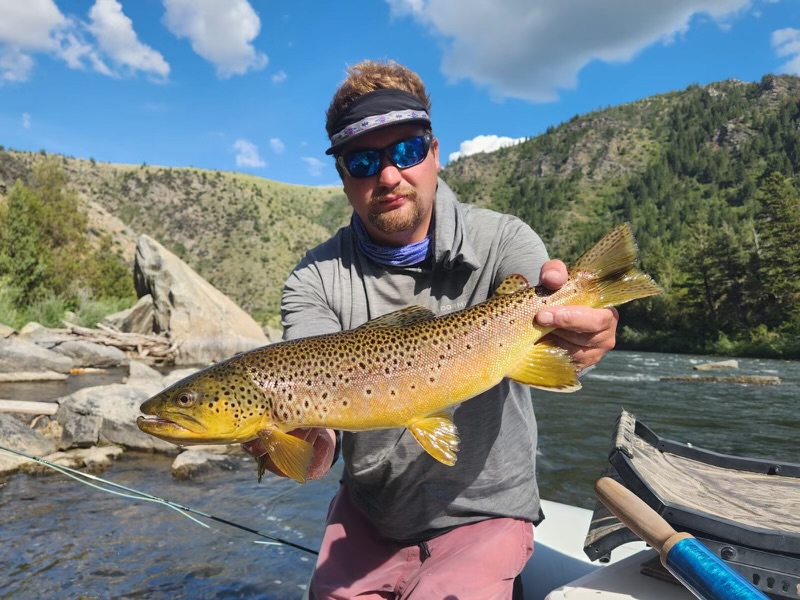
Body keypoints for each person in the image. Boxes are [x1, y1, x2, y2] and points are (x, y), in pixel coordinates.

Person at [244, 59, 618, 599]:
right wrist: (291, 449)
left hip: (487, 511)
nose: (389, 175)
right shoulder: (315, 279)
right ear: (343, 175)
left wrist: (587, 335)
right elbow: (318, 441)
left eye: (406, 151)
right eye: (364, 160)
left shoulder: (504, 242)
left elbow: (563, 338)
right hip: (369, 515)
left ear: (435, 152)